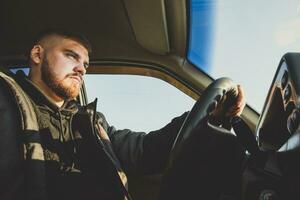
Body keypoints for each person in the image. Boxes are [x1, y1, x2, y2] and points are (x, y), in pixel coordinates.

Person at [0, 30, 245, 200]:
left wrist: (210, 116)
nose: (81, 69)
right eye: (70, 55)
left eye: (85, 64)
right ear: (37, 55)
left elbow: (146, 149)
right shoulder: (6, 102)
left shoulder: (90, 122)